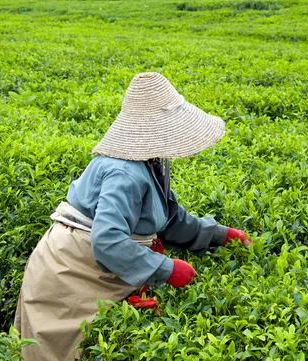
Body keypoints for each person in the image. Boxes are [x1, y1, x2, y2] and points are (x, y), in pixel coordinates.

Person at [14, 72, 250, 360]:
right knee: (59, 351)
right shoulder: (125, 172)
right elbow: (108, 240)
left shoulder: (148, 162)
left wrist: (218, 235)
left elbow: (168, 218)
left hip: (88, 261)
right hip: (73, 272)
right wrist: (166, 269)